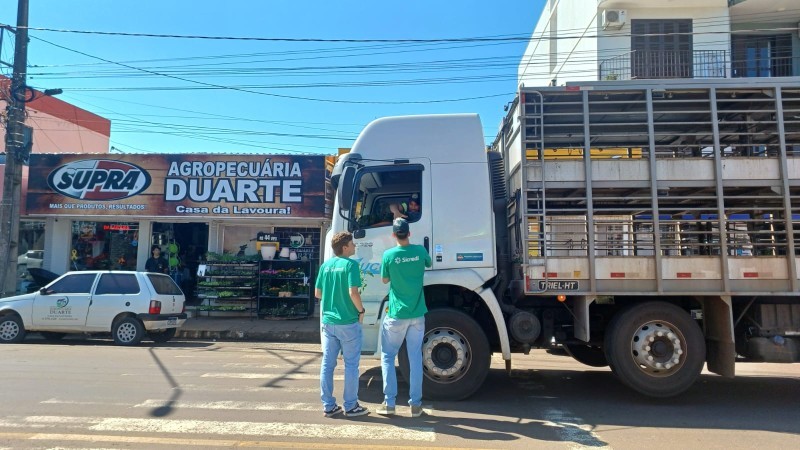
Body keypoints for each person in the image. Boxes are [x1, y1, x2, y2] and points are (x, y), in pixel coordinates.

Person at [378, 218, 432, 417]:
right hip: (417, 314)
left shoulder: (389, 255)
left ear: (393, 235)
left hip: (396, 314)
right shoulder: (419, 251)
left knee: (388, 357)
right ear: (409, 233)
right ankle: (416, 405)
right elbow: (429, 262)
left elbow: (384, 279)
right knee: (415, 358)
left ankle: (389, 403)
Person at [315, 231, 369, 418]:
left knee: (327, 365)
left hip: (328, 322)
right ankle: (351, 405)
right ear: (345, 247)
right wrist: (361, 310)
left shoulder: (325, 266)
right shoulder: (351, 265)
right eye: (352, 244)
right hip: (348, 322)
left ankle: (328, 405)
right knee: (351, 365)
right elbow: (353, 292)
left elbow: (318, 293)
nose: (355, 246)